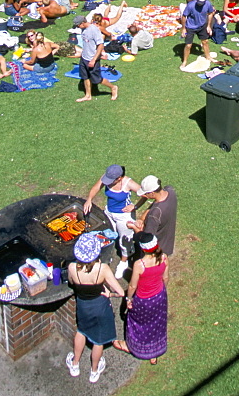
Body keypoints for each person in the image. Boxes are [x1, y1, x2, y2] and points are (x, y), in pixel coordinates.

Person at [66, 232, 125, 383]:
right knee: (98, 340)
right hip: (100, 306)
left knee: (81, 330)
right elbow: (120, 292)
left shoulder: (72, 267)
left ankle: (75, 364)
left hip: (83, 304)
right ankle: (94, 371)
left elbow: (72, 283)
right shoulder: (102, 269)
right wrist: (109, 294)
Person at [113, 232, 169, 365]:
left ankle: (131, 346)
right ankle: (154, 353)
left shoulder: (140, 264)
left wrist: (129, 299)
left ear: (143, 249)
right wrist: (160, 292)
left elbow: (132, 286)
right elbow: (165, 278)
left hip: (143, 299)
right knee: (156, 323)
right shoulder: (164, 257)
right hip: (159, 297)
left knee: (138, 323)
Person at [83, 164, 143, 278]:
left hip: (124, 216)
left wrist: (135, 206)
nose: (107, 182)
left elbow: (145, 194)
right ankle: (108, 254)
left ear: (119, 178)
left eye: (111, 180)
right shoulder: (107, 177)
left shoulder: (128, 183)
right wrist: (89, 199)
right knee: (107, 235)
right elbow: (96, 187)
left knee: (125, 240)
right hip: (109, 213)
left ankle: (124, 261)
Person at [72, 16, 119, 102]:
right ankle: (88, 95)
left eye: (78, 25)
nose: (78, 27)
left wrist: (94, 59)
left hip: (92, 59)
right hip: (84, 57)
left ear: (82, 23)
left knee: (97, 79)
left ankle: (113, 87)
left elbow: (100, 45)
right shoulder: (83, 29)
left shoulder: (94, 30)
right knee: (85, 77)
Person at [130, 176, 178, 256]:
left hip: (155, 251)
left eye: (146, 193)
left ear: (152, 193)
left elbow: (147, 239)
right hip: (168, 244)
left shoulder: (154, 215)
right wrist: (142, 219)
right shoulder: (170, 191)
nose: (145, 195)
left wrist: (134, 227)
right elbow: (156, 203)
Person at [180, 0, 214, 68]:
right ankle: (184, 61)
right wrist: (184, 29)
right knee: (188, 45)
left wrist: (208, 26)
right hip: (190, 27)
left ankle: (208, 56)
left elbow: (210, 13)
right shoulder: (191, 5)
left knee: (205, 41)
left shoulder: (208, 4)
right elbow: (184, 16)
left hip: (202, 26)